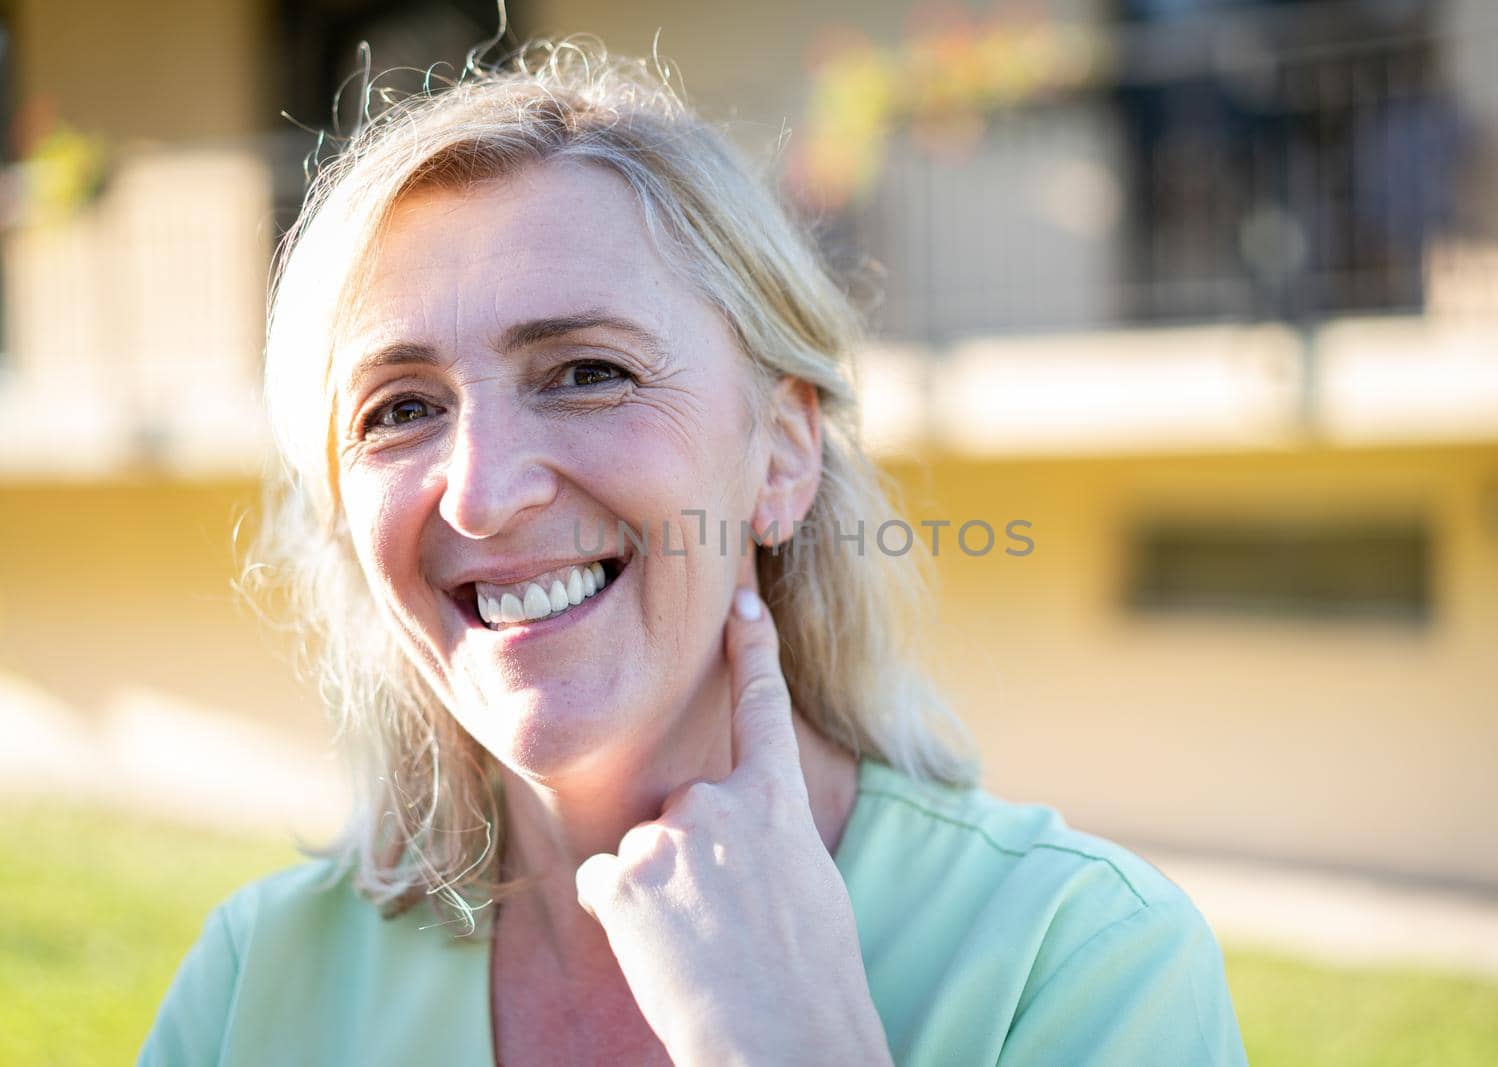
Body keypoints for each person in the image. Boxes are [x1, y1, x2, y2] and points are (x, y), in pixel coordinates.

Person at [140, 39, 1247, 1066]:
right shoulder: (257, 984)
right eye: (400, 408)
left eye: (586, 372)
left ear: (779, 454)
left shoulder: (1081, 958)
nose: (479, 492)